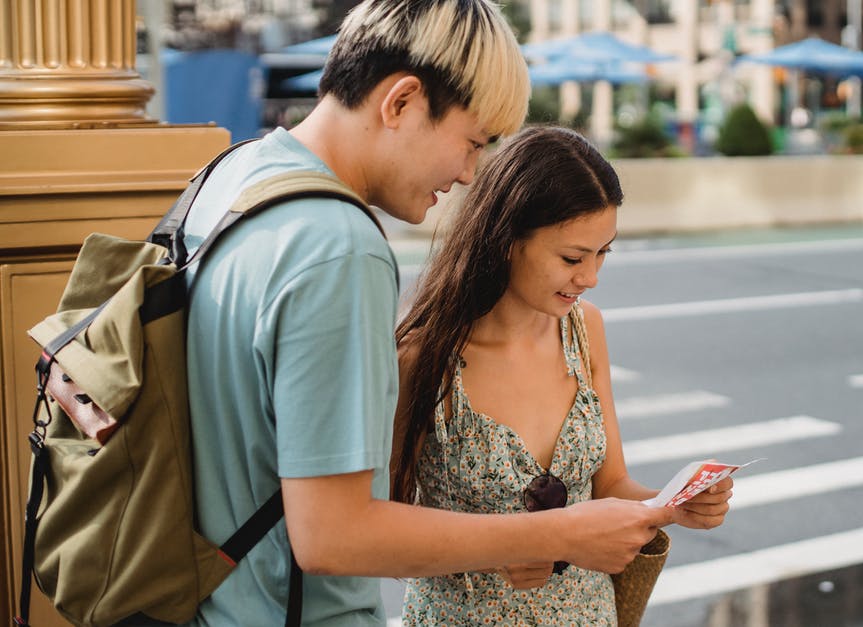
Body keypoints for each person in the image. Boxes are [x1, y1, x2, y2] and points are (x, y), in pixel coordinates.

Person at [180, 1, 672, 625]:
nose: (470, 175)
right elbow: (333, 534)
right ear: (402, 101)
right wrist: (555, 536)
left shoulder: (228, 179)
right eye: (471, 142)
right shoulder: (339, 247)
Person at [391, 126, 735, 625]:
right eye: (573, 257)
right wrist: (494, 550)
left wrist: (672, 504)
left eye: (603, 253)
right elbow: (379, 527)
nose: (591, 276)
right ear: (506, 239)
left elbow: (609, 483)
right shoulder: (422, 356)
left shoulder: (584, 329)